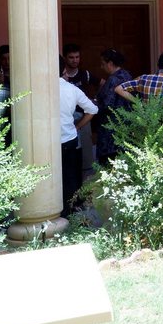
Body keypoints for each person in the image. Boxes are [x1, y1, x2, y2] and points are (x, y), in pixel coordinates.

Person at [59, 58, 98, 217]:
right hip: (68, 138)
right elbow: (92, 109)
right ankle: (71, 210)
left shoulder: (37, 88)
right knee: (71, 176)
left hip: (46, 141)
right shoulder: (71, 89)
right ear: (64, 70)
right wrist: (78, 126)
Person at [94, 48, 132, 165]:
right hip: (125, 124)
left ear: (110, 63)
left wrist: (94, 105)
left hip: (110, 128)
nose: (101, 67)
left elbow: (106, 103)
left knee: (109, 162)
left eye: (103, 64)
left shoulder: (113, 79)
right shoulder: (127, 74)